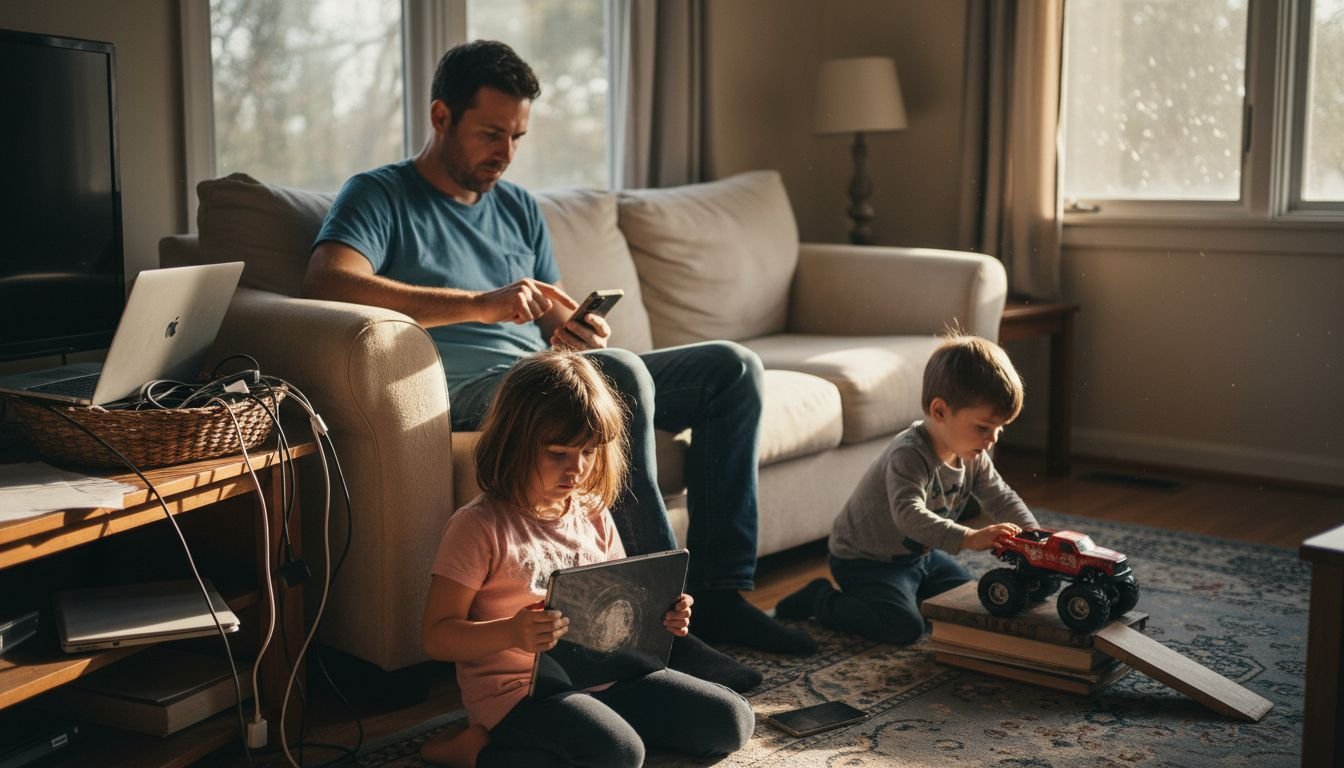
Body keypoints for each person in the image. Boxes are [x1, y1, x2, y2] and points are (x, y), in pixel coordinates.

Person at [303, 39, 814, 690]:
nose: (505, 152)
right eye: (491, 133)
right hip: (469, 390)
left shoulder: (518, 207)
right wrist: (478, 305)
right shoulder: (380, 195)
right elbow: (328, 282)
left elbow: (552, 317)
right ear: (440, 117)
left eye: (516, 136)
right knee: (619, 375)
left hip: (545, 377)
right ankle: (659, 627)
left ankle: (720, 596)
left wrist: (577, 329)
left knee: (731, 368)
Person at [418, 351, 753, 768]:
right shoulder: (478, 526)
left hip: (603, 679)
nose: (576, 469)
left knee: (730, 721)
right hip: (521, 696)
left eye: (589, 452)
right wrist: (511, 632)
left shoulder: (592, 511)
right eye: (558, 453)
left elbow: (620, 603)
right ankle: (476, 752)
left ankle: (594, 739)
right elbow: (436, 636)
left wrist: (661, 616)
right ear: (514, 444)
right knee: (620, 755)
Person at [775, 335, 1039, 645]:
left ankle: (910, 594)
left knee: (970, 602)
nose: (992, 438)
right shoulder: (909, 454)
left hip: (919, 557)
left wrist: (1036, 537)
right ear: (939, 411)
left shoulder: (973, 456)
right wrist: (969, 538)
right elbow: (908, 515)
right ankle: (820, 599)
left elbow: (1001, 497)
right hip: (866, 561)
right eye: (983, 427)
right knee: (902, 626)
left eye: (999, 428)